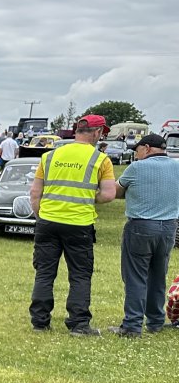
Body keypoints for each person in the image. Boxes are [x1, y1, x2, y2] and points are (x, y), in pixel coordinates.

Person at [28, 114, 120, 335]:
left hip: (48, 221)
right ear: (97, 132)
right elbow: (109, 194)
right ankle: (79, 324)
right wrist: (87, 198)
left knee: (44, 273)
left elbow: (35, 193)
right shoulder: (101, 159)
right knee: (80, 274)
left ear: (77, 131)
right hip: (79, 223)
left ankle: (40, 322)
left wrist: (41, 217)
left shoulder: (49, 156)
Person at [107, 133, 179, 336]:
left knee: (136, 276)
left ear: (146, 148)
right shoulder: (177, 166)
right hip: (169, 227)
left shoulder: (136, 168)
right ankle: (155, 321)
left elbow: (116, 191)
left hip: (140, 226)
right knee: (158, 275)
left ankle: (132, 324)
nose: (136, 155)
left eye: (137, 150)